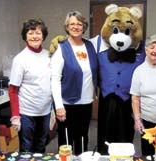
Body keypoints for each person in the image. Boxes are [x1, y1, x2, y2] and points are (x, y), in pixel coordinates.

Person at [50, 11, 98, 155]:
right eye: (72, 24)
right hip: (67, 104)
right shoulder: (61, 47)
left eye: (79, 24)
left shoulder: (90, 46)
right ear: (67, 27)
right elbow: (55, 79)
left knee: (83, 137)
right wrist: (58, 106)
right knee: (66, 140)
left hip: (86, 102)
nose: (76, 27)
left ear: (84, 26)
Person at [8, 18, 52, 153]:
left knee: (41, 145)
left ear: (43, 35)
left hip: (45, 111)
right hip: (27, 112)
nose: (34, 36)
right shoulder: (20, 59)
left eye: (38, 33)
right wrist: (15, 116)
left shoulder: (49, 55)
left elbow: (53, 83)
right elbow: (12, 90)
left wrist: (54, 110)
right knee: (27, 147)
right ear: (25, 36)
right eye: (30, 33)